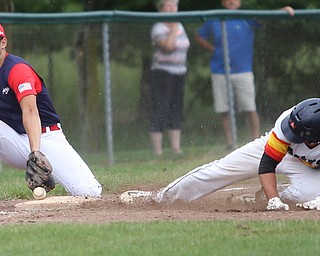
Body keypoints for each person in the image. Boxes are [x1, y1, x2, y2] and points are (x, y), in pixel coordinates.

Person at [121, 98, 320, 211]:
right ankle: (160, 198)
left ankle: (263, 197)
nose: (291, 132)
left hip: (307, 167)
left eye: (299, 134)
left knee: (306, 195)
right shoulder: (287, 123)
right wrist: (273, 200)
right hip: (279, 152)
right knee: (221, 170)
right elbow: (267, 163)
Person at [0, 24, 102, 197]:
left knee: (89, 192)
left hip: (45, 138)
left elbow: (31, 112)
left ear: (3, 42)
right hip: (12, 140)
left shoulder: (17, 70)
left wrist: (35, 152)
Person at [194, 0, 295, 151]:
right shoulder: (214, 19)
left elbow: (267, 17)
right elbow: (198, 35)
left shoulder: (246, 18)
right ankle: (231, 144)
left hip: (243, 70)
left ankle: (256, 142)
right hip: (220, 70)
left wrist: (284, 9)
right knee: (224, 109)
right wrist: (213, 49)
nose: (231, 1)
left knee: (249, 107)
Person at [149, 0, 190, 156]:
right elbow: (168, 47)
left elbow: (185, 44)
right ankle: (158, 151)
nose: (173, 9)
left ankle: (176, 148)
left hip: (179, 72)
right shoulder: (158, 27)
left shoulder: (180, 25)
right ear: (161, 9)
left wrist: (175, 27)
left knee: (176, 108)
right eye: (169, 6)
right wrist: (172, 30)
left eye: (175, 6)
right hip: (162, 73)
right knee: (161, 107)